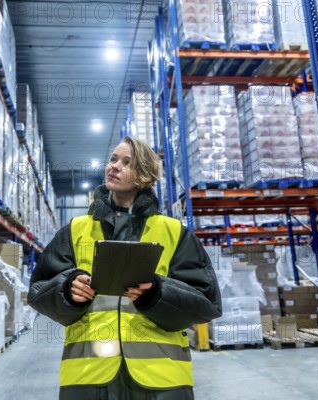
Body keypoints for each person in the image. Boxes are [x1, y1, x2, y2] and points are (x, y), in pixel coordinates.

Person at [28, 136, 222, 400]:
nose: (114, 166)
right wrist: (66, 289)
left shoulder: (174, 232)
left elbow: (206, 302)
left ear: (144, 175)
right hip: (88, 376)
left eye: (126, 162)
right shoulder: (76, 230)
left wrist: (157, 294)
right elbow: (38, 290)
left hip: (161, 378)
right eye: (113, 159)